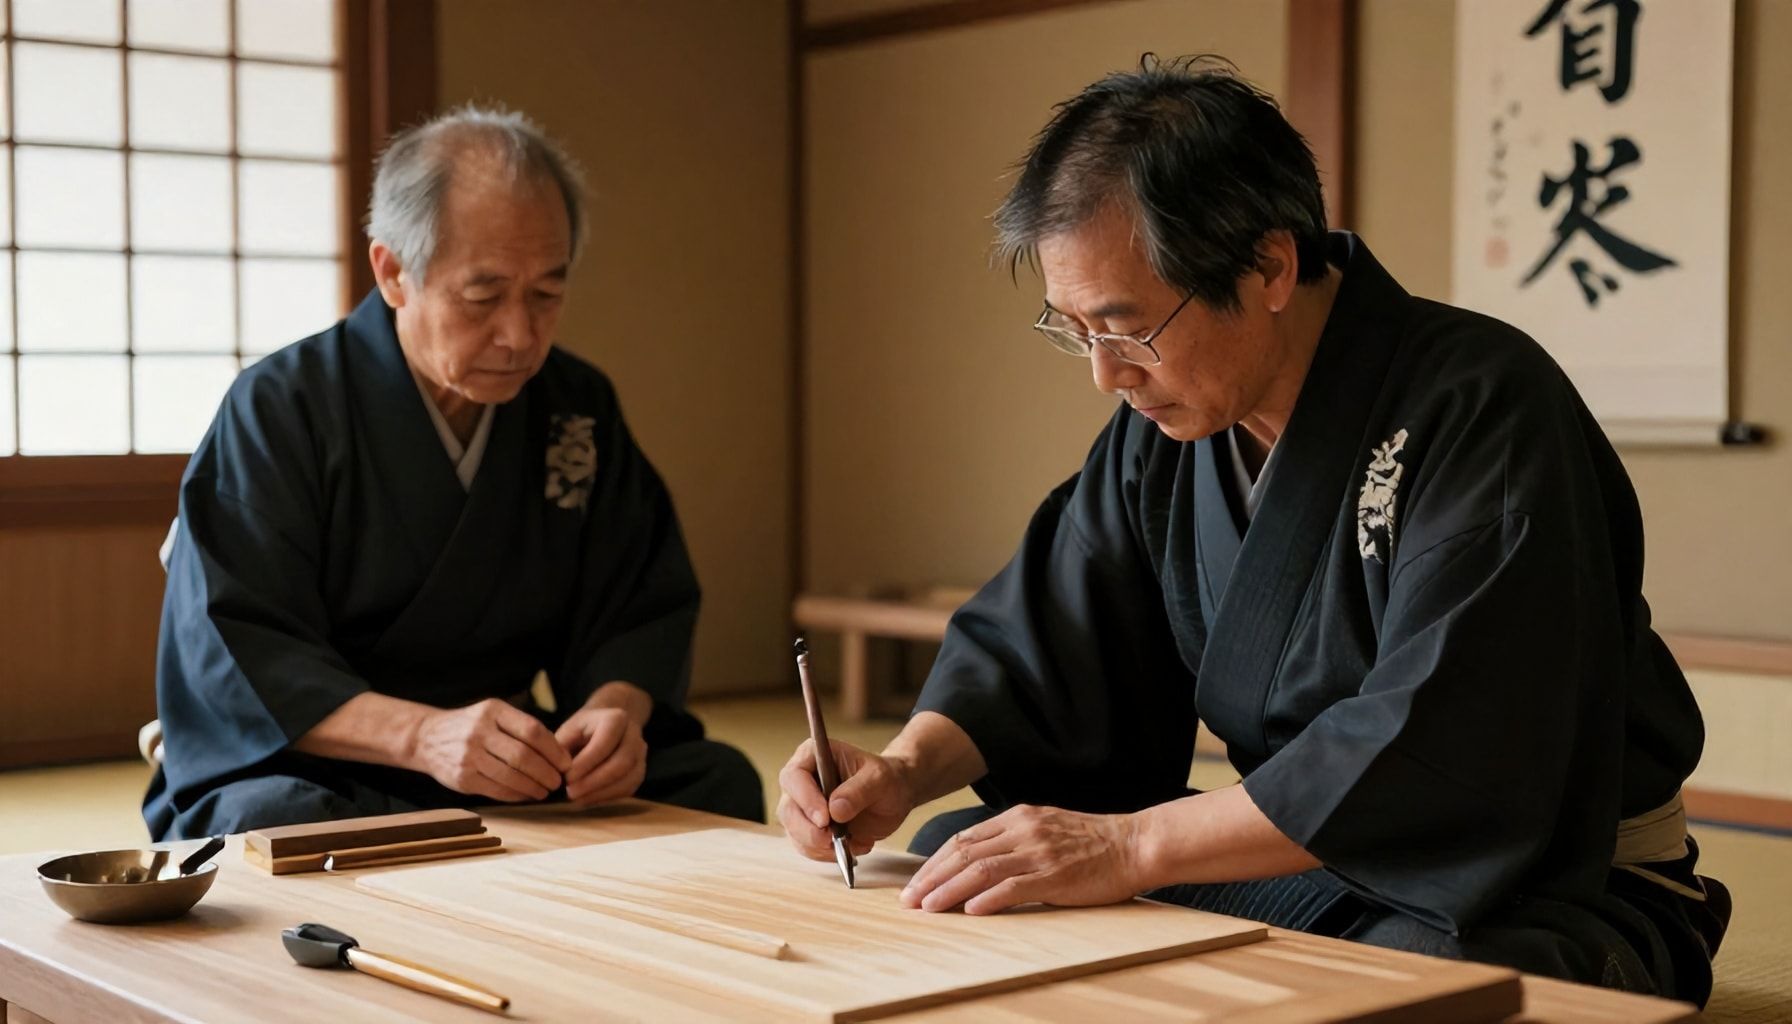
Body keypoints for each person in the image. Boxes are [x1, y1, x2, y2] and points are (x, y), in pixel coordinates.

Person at [778, 57, 1728, 1005]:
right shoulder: (1169, 433)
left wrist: (1129, 846)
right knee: (958, 862)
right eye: (1075, 330)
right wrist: (902, 771)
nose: (1106, 375)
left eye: (1128, 328)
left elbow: (1440, 742)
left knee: (1408, 987)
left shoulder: (1484, 406)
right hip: (1321, 864)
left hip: (1531, 882)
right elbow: (1044, 640)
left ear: (1270, 265)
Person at [145, 106, 762, 841]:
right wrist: (421, 738)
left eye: (547, 294)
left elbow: (636, 601)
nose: (520, 335)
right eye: (484, 295)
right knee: (272, 823)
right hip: (333, 763)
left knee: (716, 783)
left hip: (509, 765)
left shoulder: (574, 407)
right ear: (393, 272)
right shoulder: (282, 408)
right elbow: (237, 644)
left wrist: (613, 715)